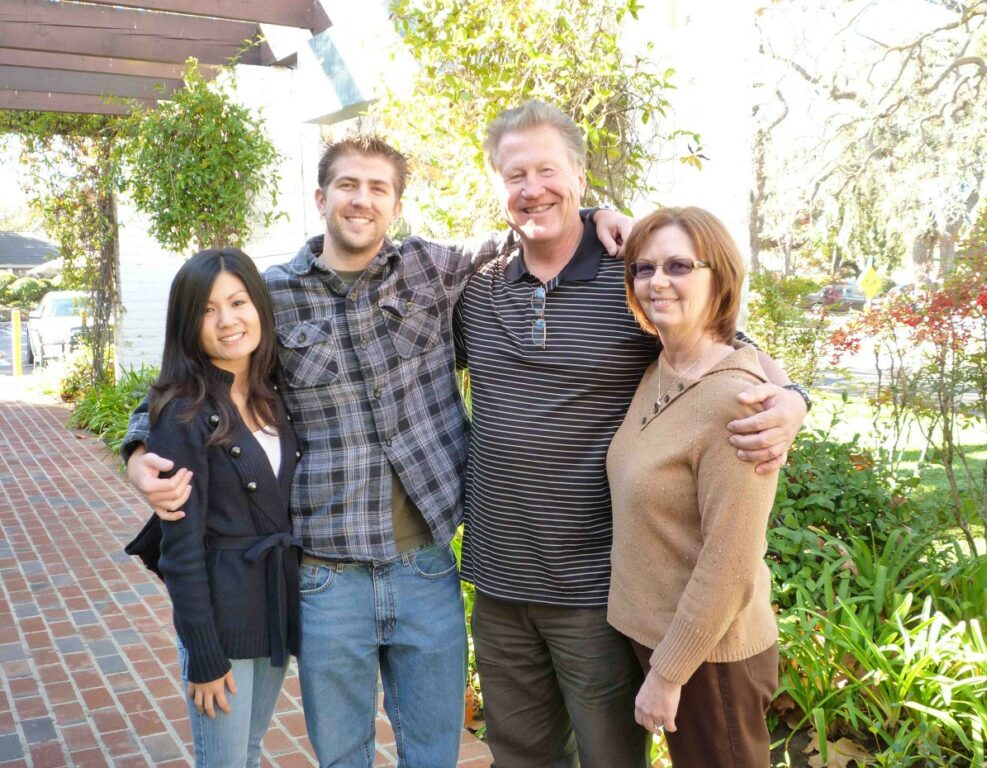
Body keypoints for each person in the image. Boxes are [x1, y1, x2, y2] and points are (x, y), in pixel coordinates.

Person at [122, 136, 632, 768]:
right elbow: (192, 375)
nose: (361, 200)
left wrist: (595, 214)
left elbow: (531, 225)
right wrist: (139, 449)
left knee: (433, 754)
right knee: (343, 758)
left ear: (397, 205)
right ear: (321, 198)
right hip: (326, 577)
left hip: (427, 571)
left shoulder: (434, 269)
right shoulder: (271, 296)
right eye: (347, 185)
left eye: (377, 188)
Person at [455, 100, 808, 767]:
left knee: (611, 757)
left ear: (580, 176)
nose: (532, 188)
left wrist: (794, 398)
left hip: (595, 590)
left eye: (547, 170)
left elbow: (719, 345)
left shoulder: (631, 281)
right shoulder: (478, 288)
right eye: (515, 174)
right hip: (499, 582)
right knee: (520, 755)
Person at [606, 207, 780, 766]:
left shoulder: (739, 401)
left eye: (679, 266)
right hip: (660, 639)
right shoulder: (661, 369)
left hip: (710, 658)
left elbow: (731, 559)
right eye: (644, 268)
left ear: (719, 277)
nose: (658, 281)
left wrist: (668, 672)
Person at [124, 248, 302, 768]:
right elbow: (180, 551)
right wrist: (203, 653)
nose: (227, 320)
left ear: (259, 306)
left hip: (274, 606)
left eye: (238, 302)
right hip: (222, 621)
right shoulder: (183, 411)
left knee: (249, 750)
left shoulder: (276, 390)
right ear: (188, 323)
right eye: (207, 310)